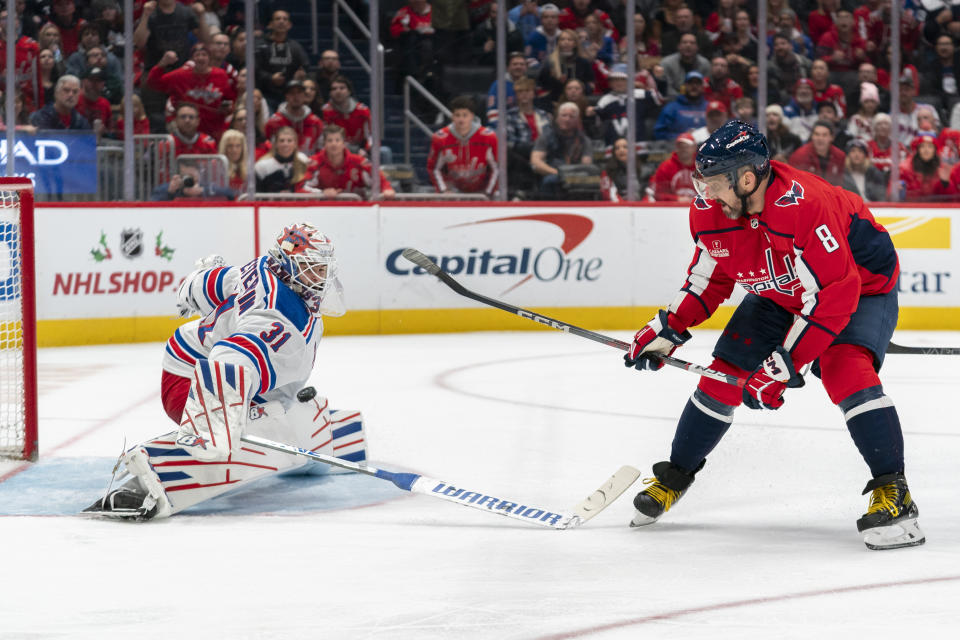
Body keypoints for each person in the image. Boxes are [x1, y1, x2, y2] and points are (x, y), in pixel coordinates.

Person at [624, 120, 924, 551]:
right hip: (782, 293)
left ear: (746, 178)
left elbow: (835, 294)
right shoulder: (711, 211)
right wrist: (671, 325)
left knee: (845, 370)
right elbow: (710, 276)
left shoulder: (806, 206)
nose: (704, 193)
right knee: (721, 376)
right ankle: (674, 477)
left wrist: (784, 364)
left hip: (856, 289)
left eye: (713, 183)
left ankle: (895, 494)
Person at [83, 225, 362, 520]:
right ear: (289, 265)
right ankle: (163, 476)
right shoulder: (279, 318)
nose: (321, 278)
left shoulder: (264, 266)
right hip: (190, 379)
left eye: (322, 269)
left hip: (198, 356)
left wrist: (191, 286)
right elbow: (228, 359)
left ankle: (272, 417)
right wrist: (217, 427)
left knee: (276, 407)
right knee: (261, 421)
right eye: (312, 269)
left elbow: (211, 283)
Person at [148, 44, 236, 141]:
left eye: (204, 55)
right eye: (197, 55)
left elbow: (230, 98)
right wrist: (162, 63)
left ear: (209, 58)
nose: (200, 58)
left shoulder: (220, 74)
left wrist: (227, 108)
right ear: (192, 59)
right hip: (186, 130)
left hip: (214, 130)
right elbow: (153, 83)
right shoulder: (180, 75)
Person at [426, 95, 499, 196]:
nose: (461, 119)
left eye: (465, 115)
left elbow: (497, 168)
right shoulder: (440, 138)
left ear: (472, 116)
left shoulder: (488, 137)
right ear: (452, 116)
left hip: (483, 192)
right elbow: (433, 168)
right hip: (453, 192)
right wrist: (444, 190)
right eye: (457, 115)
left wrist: (488, 192)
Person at [304, 125, 396, 200]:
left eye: (337, 140)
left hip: (357, 210)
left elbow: (378, 177)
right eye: (329, 140)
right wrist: (321, 193)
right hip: (323, 209)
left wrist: (386, 188)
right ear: (324, 144)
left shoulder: (359, 162)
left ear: (344, 143)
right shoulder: (314, 162)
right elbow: (302, 188)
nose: (334, 144)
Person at [530, 101, 592, 198]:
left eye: (571, 116)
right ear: (557, 118)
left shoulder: (584, 140)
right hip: (552, 174)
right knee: (550, 180)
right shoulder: (546, 136)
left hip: (576, 178)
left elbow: (586, 164)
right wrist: (557, 173)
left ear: (577, 120)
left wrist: (571, 175)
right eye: (564, 115)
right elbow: (535, 161)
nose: (567, 119)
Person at [255, 9, 309, 110]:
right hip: (265, 94)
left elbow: (305, 66)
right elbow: (255, 69)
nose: (281, 21)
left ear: (289, 25)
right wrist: (270, 77)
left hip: (289, 95)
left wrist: (301, 73)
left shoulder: (295, 47)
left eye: (285, 19)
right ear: (270, 24)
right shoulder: (260, 45)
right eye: (278, 19)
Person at [265, 80, 325, 156]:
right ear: (286, 96)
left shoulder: (315, 122)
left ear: (304, 95)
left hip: (308, 165)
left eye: (299, 93)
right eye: (292, 93)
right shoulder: (274, 122)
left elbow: (321, 150)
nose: (296, 96)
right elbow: (269, 148)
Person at [319, 75, 372, 156]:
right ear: (330, 93)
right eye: (334, 89)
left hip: (361, 150)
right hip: (334, 150)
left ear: (349, 91)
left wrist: (366, 150)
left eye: (342, 88)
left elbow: (371, 137)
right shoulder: (325, 111)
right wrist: (354, 150)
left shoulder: (363, 111)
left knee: (384, 152)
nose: (338, 91)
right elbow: (323, 139)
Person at [899, 133, 956, 202]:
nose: (926, 150)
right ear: (918, 150)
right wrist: (898, 191)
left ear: (935, 150)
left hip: (934, 210)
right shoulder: (905, 168)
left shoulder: (942, 169)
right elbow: (892, 194)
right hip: (910, 209)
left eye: (930, 147)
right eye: (922, 146)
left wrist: (946, 184)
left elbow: (952, 200)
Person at [653, 70, 707, 140]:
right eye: (690, 83)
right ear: (684, 86)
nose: (694, 86)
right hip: (678, 148)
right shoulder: (671, 108)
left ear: (702, 86)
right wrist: (682, 137)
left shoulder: (709, 108)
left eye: (698, 83)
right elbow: (659, 133)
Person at [789, 120, 845, 186]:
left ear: (832, 137)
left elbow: (839, 183)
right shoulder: (799, 156)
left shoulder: (840, 156)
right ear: (812, 136)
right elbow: (793, 183)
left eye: (824, 135)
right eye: (816, 134)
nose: (820, 138)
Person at [150, 158, 237, 201]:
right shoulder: (169, 188)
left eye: (192, 176)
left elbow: (230, 194)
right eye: (186, 176)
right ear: (178, 176)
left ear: (199, 174)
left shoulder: (206, 186)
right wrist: (170, 193)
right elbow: (151, 204)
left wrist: (202, 191)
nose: (189, 180)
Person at [255, 126, 311, 193]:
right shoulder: (262, 165)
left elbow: (309, 186)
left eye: (289, 141)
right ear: (276, 144)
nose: (285, 144)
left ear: (295, 144)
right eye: (282, 141)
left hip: (298, 202)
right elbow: (256, 192)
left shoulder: (303, 160)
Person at [650, 132, 697, 202]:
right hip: (672, 209)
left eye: (686, 146)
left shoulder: (702, 167)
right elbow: (659, 194)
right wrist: (677, 199)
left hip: (699, 207)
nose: (683, 149)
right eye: (680, 146)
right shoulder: (665, 167)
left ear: (694, 147)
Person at [599, 136, 643, 202]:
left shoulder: (644, 171)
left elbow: (647, 195)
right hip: (618, 208)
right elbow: (607, 195)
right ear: (614, 153)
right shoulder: (607, 173)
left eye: (625, 147)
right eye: (617, 148)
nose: (621, 150)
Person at [219, 128, 248, 192]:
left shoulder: (248, 168)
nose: (234, 150)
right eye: (230, 146)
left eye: (238, 146)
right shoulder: (215, 167)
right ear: (224, 148)